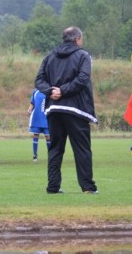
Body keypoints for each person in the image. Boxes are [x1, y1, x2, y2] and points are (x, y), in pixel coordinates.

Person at [35, 26, 98, 194]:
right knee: (82, 149)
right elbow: (83, 78)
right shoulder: (83, 56)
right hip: (76, 109)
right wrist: (63, 91)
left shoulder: (49, 57)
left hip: (54, 109)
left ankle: (52, 187)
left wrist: (51, 91)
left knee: (55, 148)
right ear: (77, 39)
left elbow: (39, 80)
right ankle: (87, 187)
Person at [28, 89, 50, 162]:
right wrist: (30, 109)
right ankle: (35, 155)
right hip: (37, 117)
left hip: (46, 117)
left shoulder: (49, 90)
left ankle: (50, 155)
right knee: (36, 135)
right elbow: (32, 103)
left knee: (48, 136)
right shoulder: (35, 91)